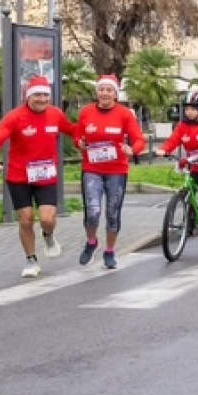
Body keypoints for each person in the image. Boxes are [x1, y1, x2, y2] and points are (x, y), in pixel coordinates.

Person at [0, 76, 78, 277]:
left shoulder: (56, 115)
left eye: (45, 95)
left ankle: (48, 235)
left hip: (45, 177)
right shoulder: (16, 117)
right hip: (19, 177)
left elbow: (72, 131)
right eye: (37, 95)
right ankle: (31, 260)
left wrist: (89, 139)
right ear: (28, 97)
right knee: (26, 220)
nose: (42, 99)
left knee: (47, 218)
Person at [76, 74, 146, 269]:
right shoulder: (86, 112)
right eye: (101, 89)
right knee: (93, 212)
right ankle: (91, 242)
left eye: (109, 90)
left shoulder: (124, 114)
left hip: (116, 170)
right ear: (97, 92)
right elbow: (78, 136)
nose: (104, 93)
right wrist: (79, 143)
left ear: (115, 94)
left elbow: (139, 139)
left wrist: (133, 149)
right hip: (92, 169)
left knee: (112, 213)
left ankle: (109, 251)